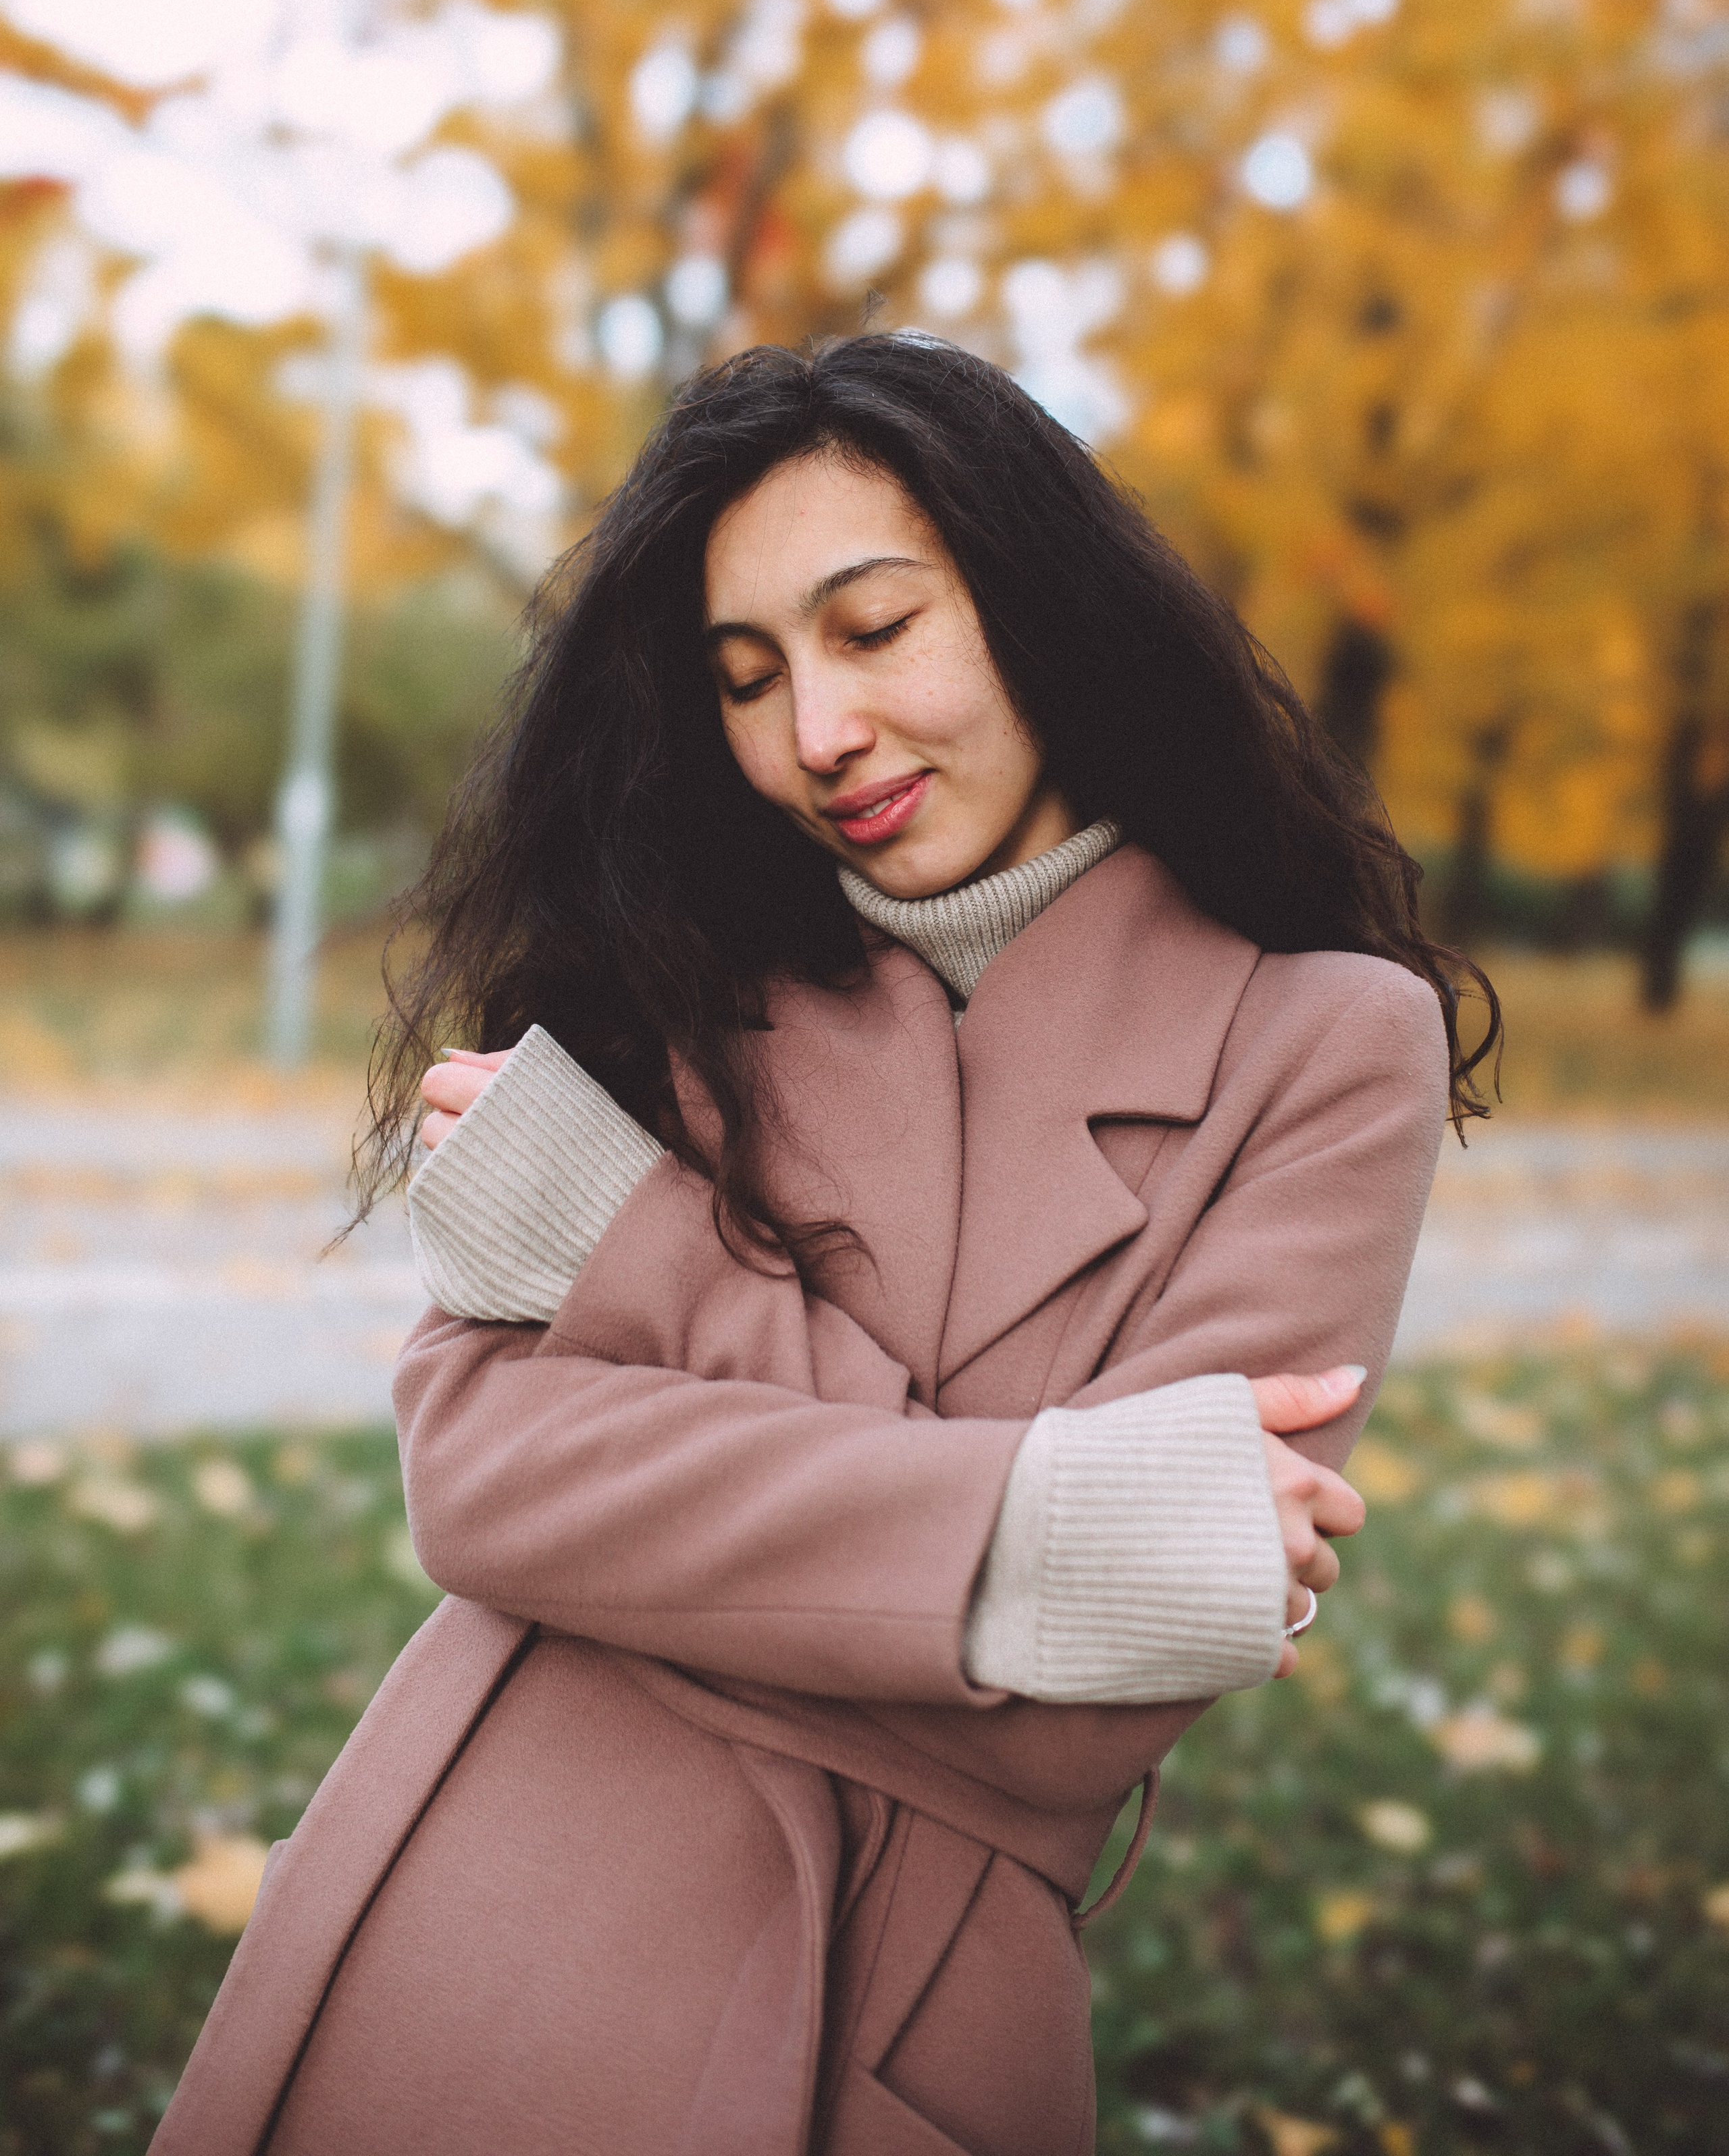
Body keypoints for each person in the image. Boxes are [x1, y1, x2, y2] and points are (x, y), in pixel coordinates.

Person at [156, 335, 1493, 2156]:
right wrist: (1036, 1532)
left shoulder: (1323, 1043)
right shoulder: (676, 980)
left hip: (880, 2012)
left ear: (1039, 609)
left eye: (875, 629)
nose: (817, 735)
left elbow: (1084, 1719)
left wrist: (642, 1271)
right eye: (748, 676)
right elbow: (477, 1482)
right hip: (464, 1916)